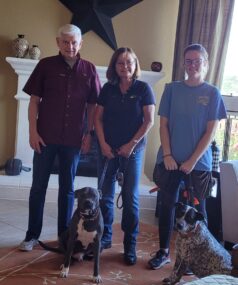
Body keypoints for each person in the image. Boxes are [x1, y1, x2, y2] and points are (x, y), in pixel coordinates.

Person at [19, 24, 101, 251]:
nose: (70, 46)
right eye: (65, 42)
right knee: (38, 187)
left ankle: (65, 237)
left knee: (67, 189)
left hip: (74, 139)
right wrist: (32, 132)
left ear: (80, 44)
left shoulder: (90, 69)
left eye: (74, 42)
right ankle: (31, 235)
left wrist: (89, 134)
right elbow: (34, 100)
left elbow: (93, 105)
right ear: (58, 43)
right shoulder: (45, 66)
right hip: (45, 137)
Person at [148, 43, 227, 270]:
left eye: (197, 61)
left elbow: (211, 130)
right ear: (184, 63)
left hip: (198, 164)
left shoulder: (212, 93)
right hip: (170, 161)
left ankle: (198, 258)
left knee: (200, 213)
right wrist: (168, 154)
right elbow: (163, 125)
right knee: (167, 206)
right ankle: (163, 252)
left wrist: (192, 160)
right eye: (188, 61)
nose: (192, 65)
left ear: (206, 64)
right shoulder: (171, 89)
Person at [94, 47, 156, 265]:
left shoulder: (143, 88)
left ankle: (130, 245)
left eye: (129, 62)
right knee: (106, 197)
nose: (125, 66)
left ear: (135, 64)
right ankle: (105, 239)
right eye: (120, 63)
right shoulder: (107, 89)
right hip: (108, 150)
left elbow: (149, 121)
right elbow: (97, 119)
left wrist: (131, 145)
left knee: (130, 199)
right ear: (114, 66)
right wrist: (102, 144)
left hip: (133, 151)